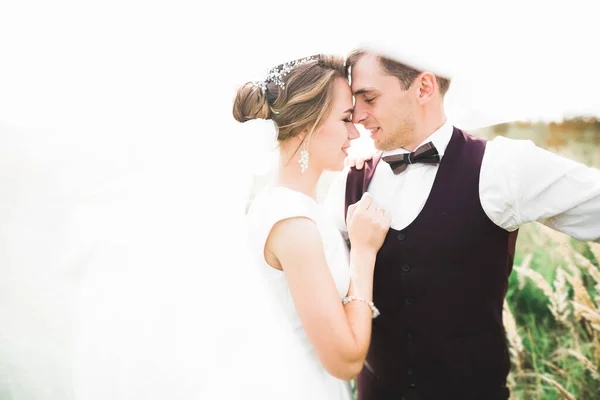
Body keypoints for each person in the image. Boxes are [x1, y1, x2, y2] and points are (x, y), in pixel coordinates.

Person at [324, 45, 600, 400]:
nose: (357, 116)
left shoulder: (502, 167)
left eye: (369, 98)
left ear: (424, 88)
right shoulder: (349, 180)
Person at [233, 54, 391, 399]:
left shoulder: (288, 207)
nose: (355, 131)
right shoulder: (292, 224)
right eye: (346, 118)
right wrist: (364, 252)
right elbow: (346, 361)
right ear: (308, 125)